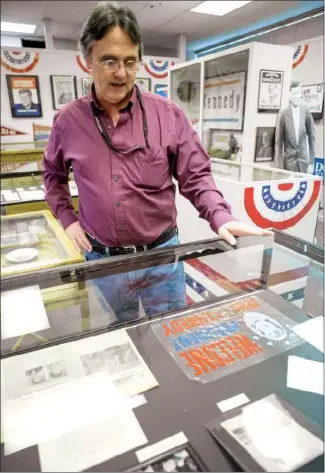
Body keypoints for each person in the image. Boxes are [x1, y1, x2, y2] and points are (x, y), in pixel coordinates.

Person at [43, 2, 271, 323]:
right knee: (117, 350)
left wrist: (219, 216)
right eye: (109, 61)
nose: (121, 73)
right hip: (103, 263)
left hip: (162, 260)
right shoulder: (67, 121)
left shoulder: (168, 114)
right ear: (86, 60)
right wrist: (68, 219)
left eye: (130, 61)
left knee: (172, 337)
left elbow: (196, 176)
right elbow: (52, 177)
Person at [275, 80, 315, 173]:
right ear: (289, 95)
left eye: (298, 93)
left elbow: (312, 137)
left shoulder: (305, 110)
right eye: (294, 93)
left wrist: (311, 162)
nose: (296, 96)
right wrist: (279, 167)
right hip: (289, 163)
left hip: (303, 162)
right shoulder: (283, 113)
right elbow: (278, 142)